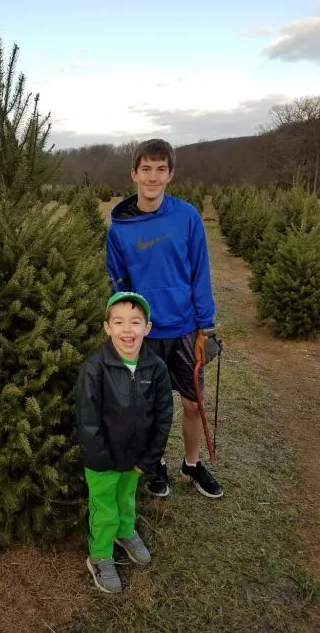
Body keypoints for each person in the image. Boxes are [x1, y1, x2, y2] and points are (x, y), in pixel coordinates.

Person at [106, 138, 223, 499]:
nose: (152, 177)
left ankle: (191, 464)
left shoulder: (186, 216)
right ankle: (154, 465)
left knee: (192, 403)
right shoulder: (120, 229)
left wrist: (206, 325)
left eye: (160, 169)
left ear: (170, 174)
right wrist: (126, 327)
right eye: (146, 169)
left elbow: (199, 272)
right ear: (134, 174)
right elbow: (118, 282)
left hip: (186, 328)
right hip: (147, 334)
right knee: (147, 405)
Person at [75, 291, 173, 593]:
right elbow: (87, 419)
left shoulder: (155, 368)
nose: (127, 330)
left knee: (126, 499)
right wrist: (99, 459)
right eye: (118, 322)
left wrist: (150, 459)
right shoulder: (95, 368)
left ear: (147, 327)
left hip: (136, 459)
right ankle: (101, 555)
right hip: (103, 461)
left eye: (135, 322)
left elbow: (163, 415)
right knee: (104, 507)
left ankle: (126, 532)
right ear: (107, 328)